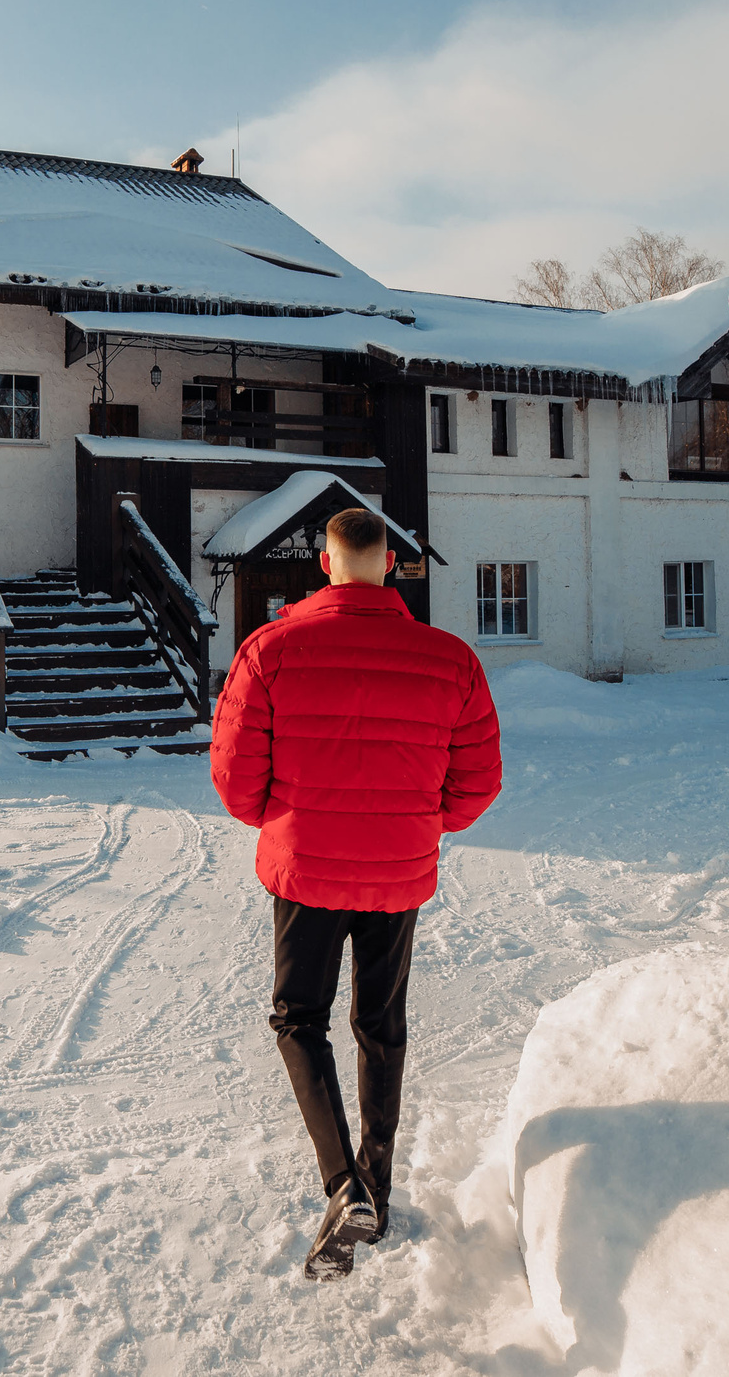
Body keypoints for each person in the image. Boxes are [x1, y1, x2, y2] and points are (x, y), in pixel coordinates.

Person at [209, 506, 501, 1281]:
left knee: (298, 1016)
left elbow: (237, 784)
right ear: (393, 567)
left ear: (326, 564)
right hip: (396, 867)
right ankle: (377, 1179)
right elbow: (478, 782)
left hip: (306, 866)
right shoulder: (451, 660)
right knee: (381, 1021)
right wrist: (416, 819)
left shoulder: (270, 649)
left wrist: (288, 814)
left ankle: (342, 1185)